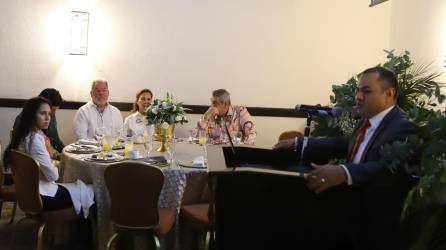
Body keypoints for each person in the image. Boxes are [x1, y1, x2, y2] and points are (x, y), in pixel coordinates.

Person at [274, 66, 418, 250]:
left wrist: (344, 172)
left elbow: (390, 168)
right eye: (358, 90)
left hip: (374, 224)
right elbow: (344, 144)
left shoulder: (403, 126)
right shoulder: (367, 120)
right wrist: (300, 142)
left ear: (388, 94)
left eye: (366, 91)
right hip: (350, 212)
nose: (358, 97)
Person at [3, 97, 94, 214]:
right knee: (93, 189)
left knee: (80, 185)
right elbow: (53, 176)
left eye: (49, 114)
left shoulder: (23, 135)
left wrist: (52, 163)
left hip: (29, 194)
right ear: (31, 115)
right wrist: (54, 164)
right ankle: (89, 230)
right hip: (45, 196)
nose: (47, 118)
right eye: (42, 113)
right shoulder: (35, 140)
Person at [13, 88, 65, 154]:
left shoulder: (48, 116)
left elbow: (55, 138)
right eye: (52, 110)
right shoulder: (32, 136)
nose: (52, 114)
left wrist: (64, 152)